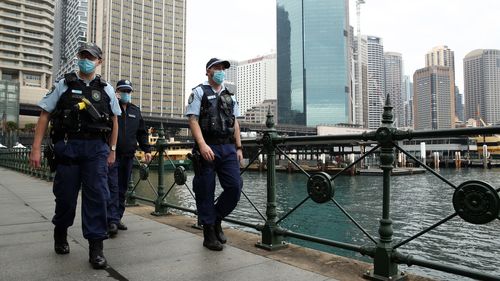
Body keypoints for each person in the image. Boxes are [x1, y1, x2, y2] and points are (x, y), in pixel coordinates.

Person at [29, 42, 121, 269]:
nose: (86, 59)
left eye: (91, 57)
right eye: (83, 55)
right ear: (78, 57)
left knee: (98, 197)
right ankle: (60, 232)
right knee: (65, 197)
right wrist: (35, 147)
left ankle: (96, 248)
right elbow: (44, 115)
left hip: (96, 150)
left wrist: (112, 150)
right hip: (69, 147)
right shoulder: (63, 84)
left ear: (99, 61)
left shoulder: (107, 89)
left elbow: (115, 121)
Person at [185, 58, 243, 251]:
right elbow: (192, 120)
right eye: (216, 68)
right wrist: (201, 145)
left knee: (235, 187)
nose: (220, 71)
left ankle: (216, 218)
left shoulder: (230, 96)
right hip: (207, 147)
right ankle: (209, 232)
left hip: (227, 148)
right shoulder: (199, 92)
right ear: (208, 71)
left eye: (222, 68)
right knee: (205, 190)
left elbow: (235, 123)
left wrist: (239, 148)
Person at [107, 79, 151, 236]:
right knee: (112, 186)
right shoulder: (110, 107)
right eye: (122, 91)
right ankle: (111, 220)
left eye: (128, 91)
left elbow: (142, 132)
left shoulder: (135, 110)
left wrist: (146, 149)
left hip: (128, 155)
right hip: (112, 155)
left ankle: (117, 218)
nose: (125, 94)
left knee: (123, 188)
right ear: (116, 92)